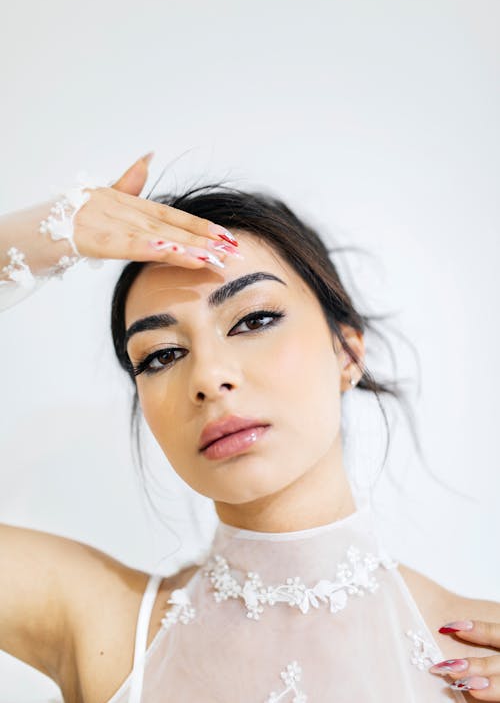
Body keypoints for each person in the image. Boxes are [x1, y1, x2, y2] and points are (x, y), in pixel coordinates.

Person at [1, 155, 499, 702]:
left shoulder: (477, 655)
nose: (209, 378)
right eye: (163, 355)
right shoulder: (103, 627)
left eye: (254, 320)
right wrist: (53, 230)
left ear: (347, 353)